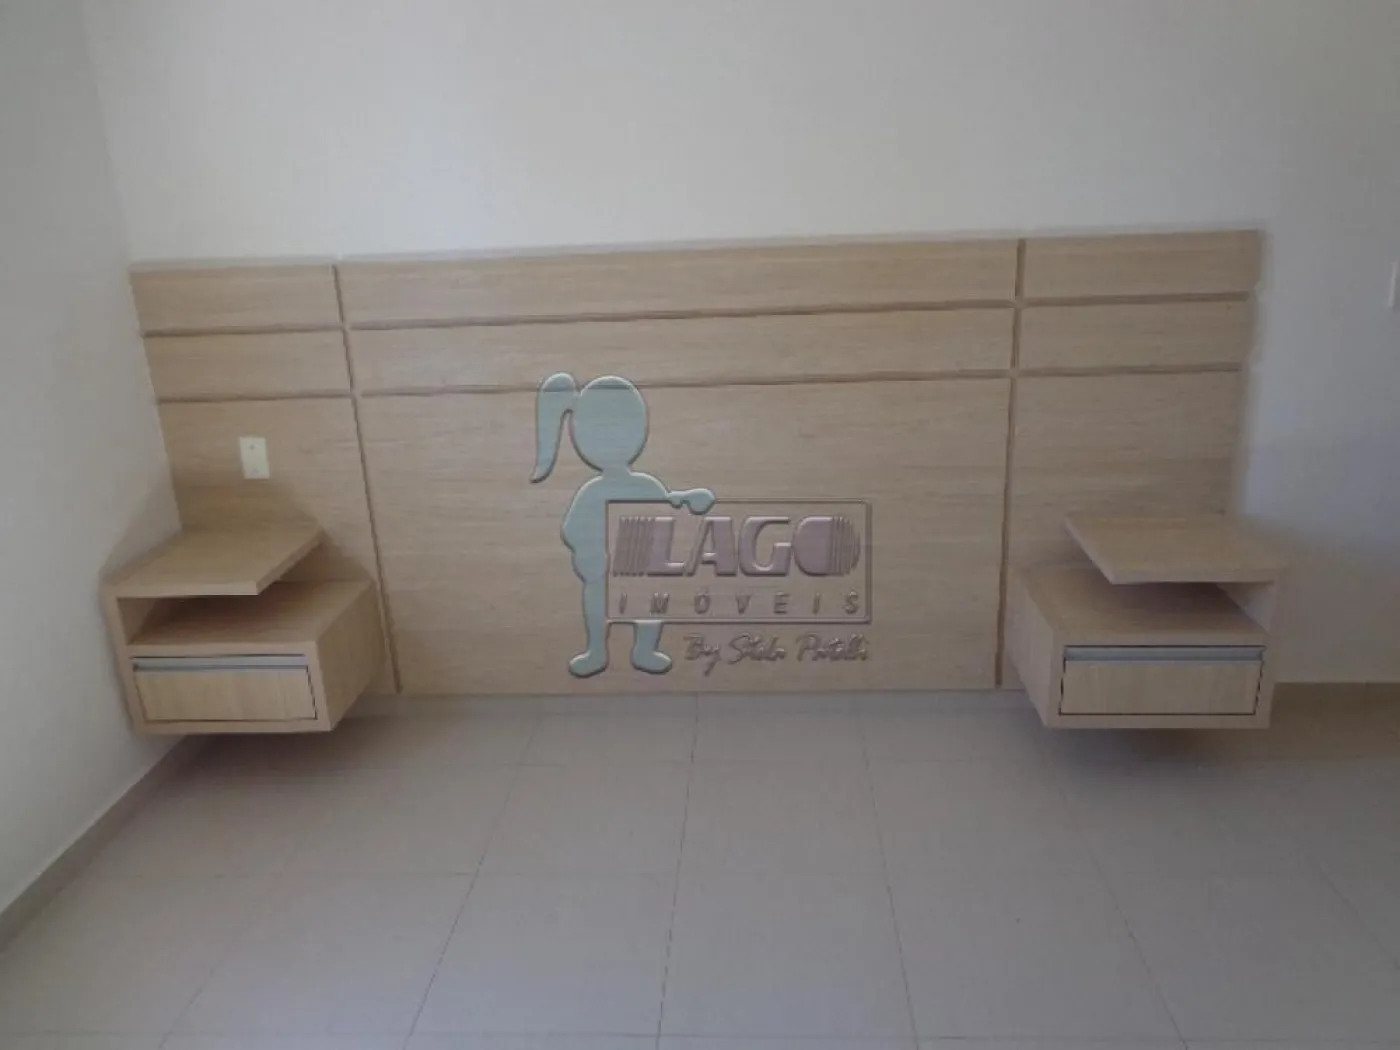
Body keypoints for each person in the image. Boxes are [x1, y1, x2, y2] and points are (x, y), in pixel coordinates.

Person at [531, 373, 714, 676]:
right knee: (597, 598)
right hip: (603, 572)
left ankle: (645, 649)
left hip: (639, 567)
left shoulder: (648, 486)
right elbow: (572, 530)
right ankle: (597, 650)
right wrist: (591, 553)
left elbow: (665, 516)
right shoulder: (591, 492)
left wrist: (679, 503)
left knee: (651, 601)